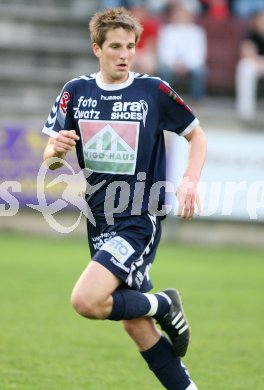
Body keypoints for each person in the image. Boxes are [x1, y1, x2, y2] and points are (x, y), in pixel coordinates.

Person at [42, 7, 207, 390]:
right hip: (99, 219)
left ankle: (164, 303)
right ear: (96, 48)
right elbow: (50, 159)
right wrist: (56, 151)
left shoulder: (153, 91)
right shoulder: (75, 92)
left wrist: (190, 180)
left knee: (85, 300)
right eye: (115, 46)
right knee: (135, 324)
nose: (124, 54)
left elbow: (198, 135)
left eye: (130, 46)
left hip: (138, 217)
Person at [157, 3, 207, 102]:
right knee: (163, 70)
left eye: (184, 14)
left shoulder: (197, 31)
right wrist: (174, 63)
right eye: (179, 14)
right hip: (171, 64)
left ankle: (197, 100)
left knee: (200, 71)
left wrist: (186, 64)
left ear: (190, 16)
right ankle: (166, 99)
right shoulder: (167, 30)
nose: (181, 17)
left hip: (190, 64)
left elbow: (199, 53)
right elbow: (164, 51)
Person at [235, 10, 264, 122]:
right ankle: (246, 113)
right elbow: (246, 51)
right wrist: (259, 62)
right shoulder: (250, 34)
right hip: (255, 62)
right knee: (244, 67)